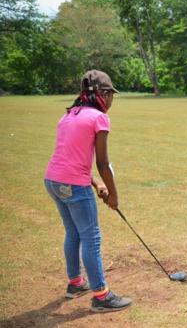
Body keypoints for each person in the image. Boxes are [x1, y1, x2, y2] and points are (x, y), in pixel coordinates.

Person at [44, 70, 132, 312]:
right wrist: (113, 195)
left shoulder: (68, 114)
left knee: (73, 232)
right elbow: (102, 163)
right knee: (91, 238)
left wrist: (97, 184)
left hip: (53, 180)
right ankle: (101, 297)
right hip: (73, 185)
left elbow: (71, 159)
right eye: (111, 95)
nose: (111, 100)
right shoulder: (99, 118)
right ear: (102, 94)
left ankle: (75, 284)